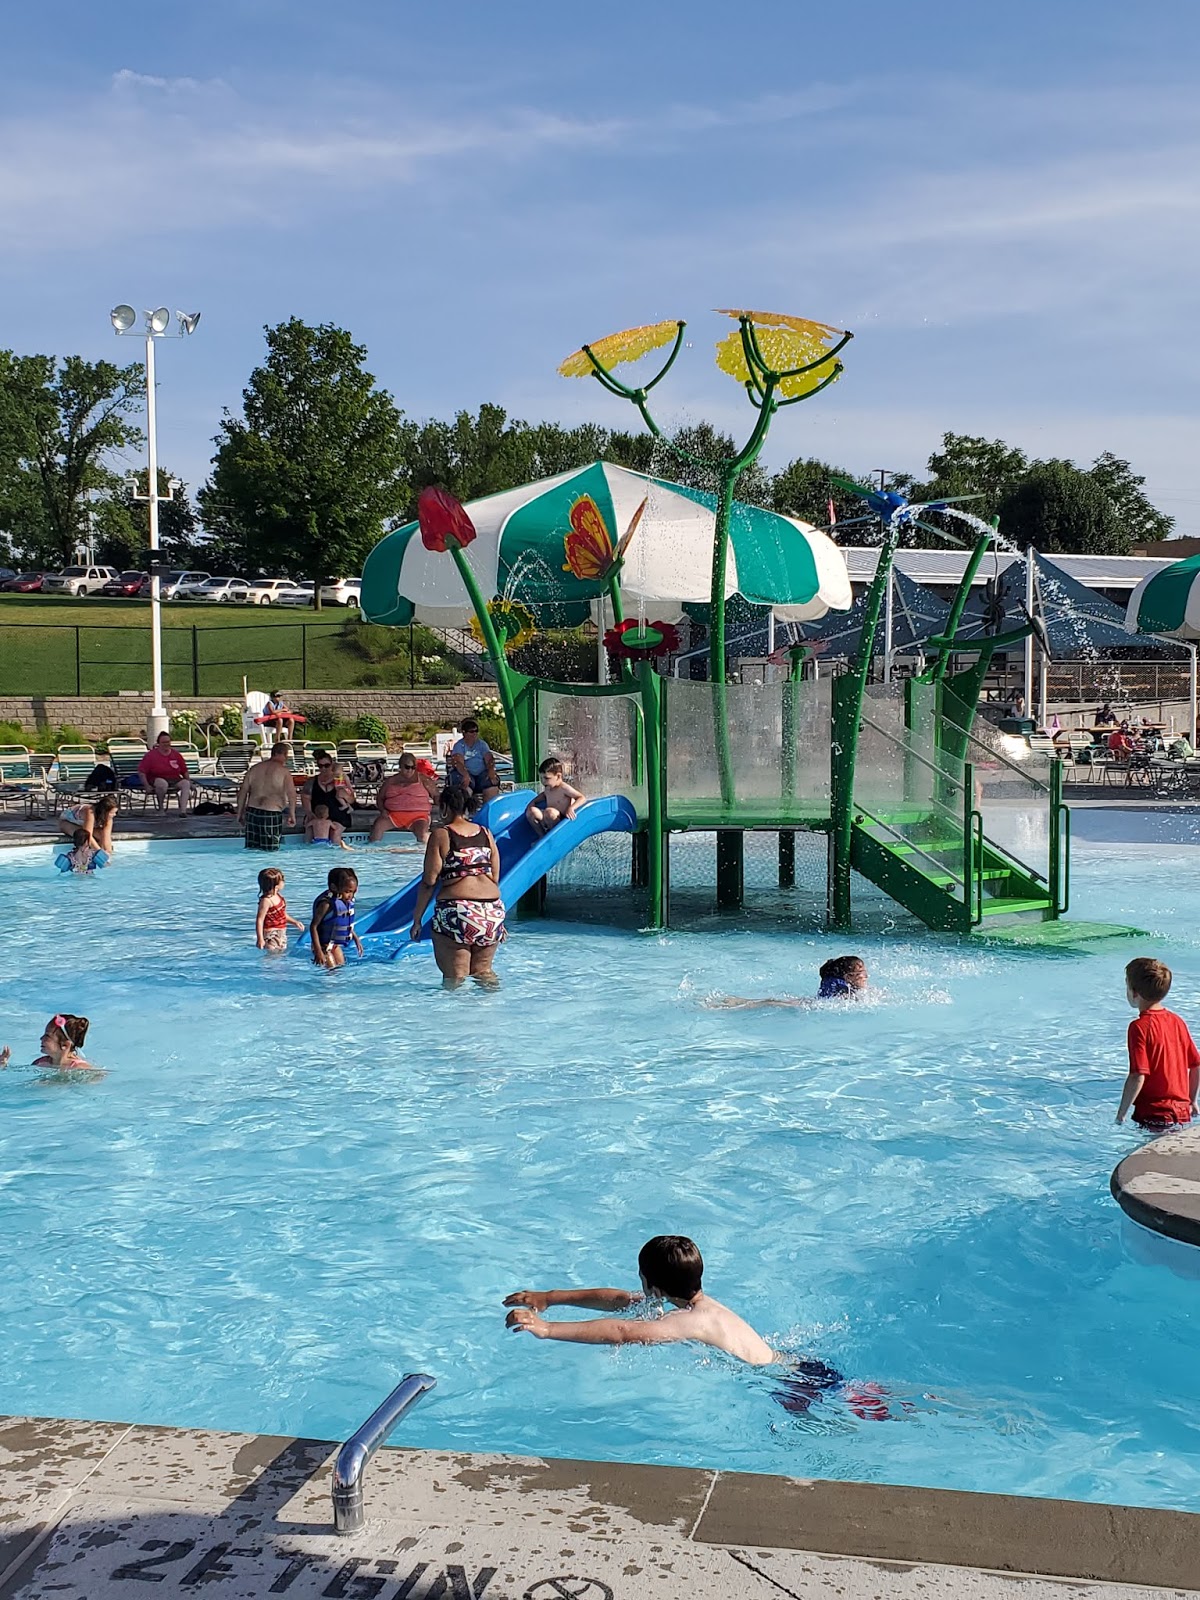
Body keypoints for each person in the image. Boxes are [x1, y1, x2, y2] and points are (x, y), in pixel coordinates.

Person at [504, 1235, 777, 1367]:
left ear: (653, 1286)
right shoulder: (701, 1306)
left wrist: (548, 1329)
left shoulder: (688, 1322)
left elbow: (622, 1332)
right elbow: (623, 1301)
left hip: (787, 1387)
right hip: (793, 1367)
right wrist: (550, 1298)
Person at [410, 785, 505, 988]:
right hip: (492, 911)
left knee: (455, 976)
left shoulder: (442, 835)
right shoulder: (486, 834)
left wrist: (417, 919)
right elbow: (494, 877)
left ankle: (453, 1019)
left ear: (445, 808)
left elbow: (429, 882)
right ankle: (496, 1013)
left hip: (458, 910)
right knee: (484, 972)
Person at [1116, 958, 1200, 1131]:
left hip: (1153, 1114)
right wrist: (1192, 1100)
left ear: (1134, 993)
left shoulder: (1138, 1027)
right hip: (1182, 1113)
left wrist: (1121, 1114)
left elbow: (1138, 1074)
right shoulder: (1177, 1021)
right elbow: (1196, 1065)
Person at [710, 955, 869, 1009]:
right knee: (771, 1003)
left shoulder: (846, 990)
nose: (866, 976)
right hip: (811, 1006)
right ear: (848, 977)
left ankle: (733, 1001)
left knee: (772, 1001)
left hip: (811, 1003)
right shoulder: (845, 995)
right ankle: (726, 1005)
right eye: (862, 973)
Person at [236, 741, 297, 851]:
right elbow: (291, 794)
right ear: (284, 754)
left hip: (252, 812)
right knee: (271, 851)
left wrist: (239, 813)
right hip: (271, 812)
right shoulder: (284, 772)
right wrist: (292, 814)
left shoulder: (254, 769)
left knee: (251, 849)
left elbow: (243, 792)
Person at [369, 755, 440, 844]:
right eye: (407, 767)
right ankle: (374, 853)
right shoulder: (391, 781)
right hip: (393, 815)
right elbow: (380, 798)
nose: (410, 770)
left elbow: (436, 796)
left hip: (419, 816)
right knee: (377, 828)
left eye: (413, 767)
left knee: (422, 834)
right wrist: (382, 810)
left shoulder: (424, 780)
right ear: (400, 766)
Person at [0, 1013, 93, 1072]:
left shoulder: (79, 1067)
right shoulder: (41, 1063)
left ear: (65, 1045)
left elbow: (98, 1078)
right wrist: (3, 1064)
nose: (41, 1038)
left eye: (47, 1036)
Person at [310, 866, 363, 967]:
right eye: (347, 891)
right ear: (334, 887)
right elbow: (313, 926)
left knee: (340, 967)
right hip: (322, 946)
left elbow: (343, 922)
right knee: (332, 973)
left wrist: (356, 938)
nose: (350, 896)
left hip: (334, 944)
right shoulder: (326, 904)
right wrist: (318, 951)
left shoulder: (344, 902)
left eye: (353, 892)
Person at [448, 718, 501, 809]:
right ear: (464, 733)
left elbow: (489, 759)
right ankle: (465, 812)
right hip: (466, 772)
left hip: (481, 774)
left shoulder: (482, 744)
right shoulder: (459, 746)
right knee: (464, 784)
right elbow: (458, 762)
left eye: (476, 731)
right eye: (471, 731)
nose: (475, 733)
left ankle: (487, 812)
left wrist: (491, 771)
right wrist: (465, 774)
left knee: (491, 783)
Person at [525, 757, 583, 835]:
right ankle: (542, 836)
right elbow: (543, 795)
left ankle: (554, 837)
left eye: (546, 778)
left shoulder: (563, 788)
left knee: (550, 812)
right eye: (541, 778)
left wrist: (571, 808)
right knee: (531, 811)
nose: (543, 781)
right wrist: (533, 802)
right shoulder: (548, 788)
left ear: (558, 776)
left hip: (561, 821)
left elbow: (581, 797)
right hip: (547, 817)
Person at [137, 731, 192, 811]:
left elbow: (184, 771)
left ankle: (183, 811)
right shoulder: (151, 755)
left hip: (174, 779)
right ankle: (161, 808)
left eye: (168, 742)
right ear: (158, 743)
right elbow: (142, 772)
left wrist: (189, 782)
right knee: (162, 783)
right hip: (156, 778)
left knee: (186, 783)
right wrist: (146, 786)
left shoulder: (176, 754)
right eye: (163, 742)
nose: (166, 744)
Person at [303, 751, 356, 834]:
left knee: (334, 832)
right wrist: (309, 813)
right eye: (320, 766)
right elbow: (305, 798)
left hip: (339, 816)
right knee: (310, 830)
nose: (323, 769)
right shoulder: (312, 782)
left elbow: (352, 800)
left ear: (331, 765)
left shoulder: (341, 779)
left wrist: (345, 796)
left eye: (326, 765)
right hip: (319, 816)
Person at [255, 867, 304, 952]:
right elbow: (260, 919)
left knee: (280, 955)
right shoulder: (266, 901)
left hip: (281, 932)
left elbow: (281, 914)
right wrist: (260, 939)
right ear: (276, 885)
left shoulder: (278, 896)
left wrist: (295, 922)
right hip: (271, 934)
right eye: (282, 880)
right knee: (272, 958)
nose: (284, 882)